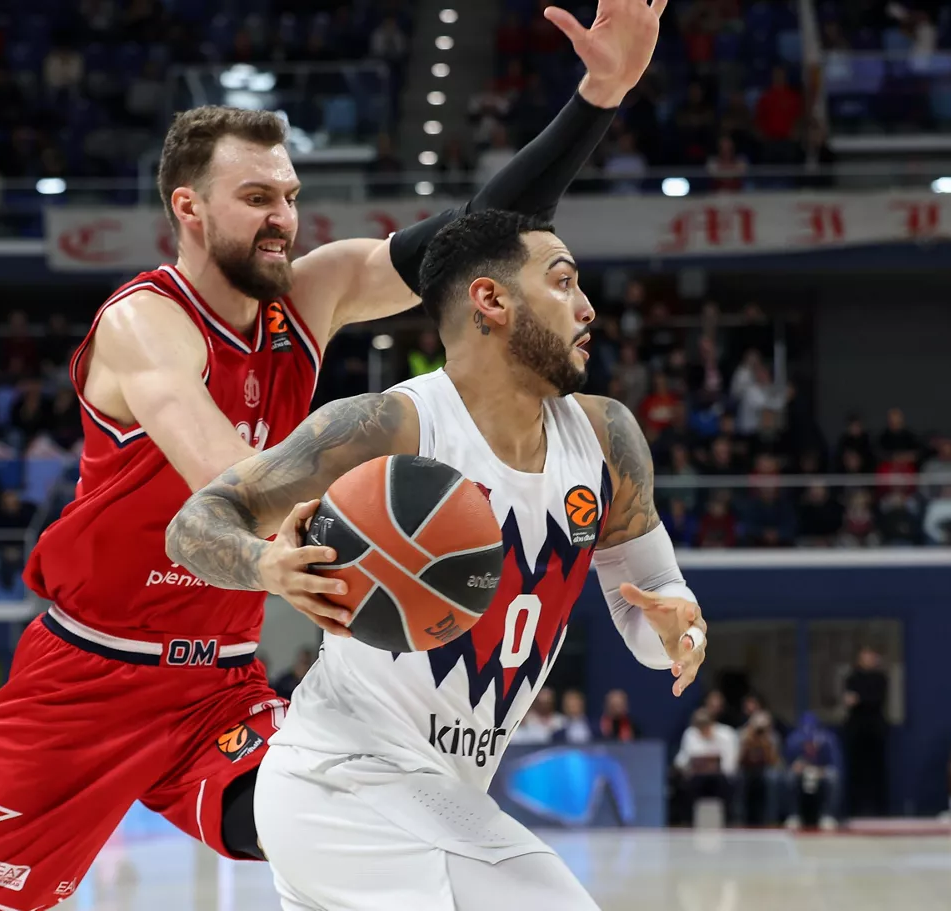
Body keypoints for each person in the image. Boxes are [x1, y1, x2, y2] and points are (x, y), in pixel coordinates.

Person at [0, 4, 666, 909]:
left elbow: (476, 234)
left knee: (352, 815)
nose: (284, 218)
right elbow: (228, 479)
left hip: (221, 687)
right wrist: (332, 531)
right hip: (90, 677)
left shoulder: (312, 294)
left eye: (291, 196)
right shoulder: (144, 322)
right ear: (188, 207)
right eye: (258, 198)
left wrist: (597, 96)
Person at [166, 209, 708, 910]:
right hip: (341, 778)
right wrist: (265, 566)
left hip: (439, 792)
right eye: (563, 281)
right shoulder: (390, 426)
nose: (587, 307)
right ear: (491, 300)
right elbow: (195, 524)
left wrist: (679, 630)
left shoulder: (607, 439)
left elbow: (654, 601)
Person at [843, 646, 889, 816]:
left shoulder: (880, 678)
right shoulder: (852, 678)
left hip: (875, 730)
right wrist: (858, 701)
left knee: (876, 771)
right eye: (864, 656)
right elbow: (849, 700)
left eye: (870, 656)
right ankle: (854, 809)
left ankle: (880, 809)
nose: (867, 659)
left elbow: (876, 700)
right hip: (856, 731)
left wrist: (860, 700)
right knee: (856, 771)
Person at [673, 708, 738, 825]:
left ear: (712, 723)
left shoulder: (727, 734)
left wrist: (714, 766)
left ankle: (728, 822)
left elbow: (730, 764)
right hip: (697, 777)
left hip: (721, 777)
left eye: (705, 727)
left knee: (725, 783)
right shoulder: (691, 734)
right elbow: (682, 759)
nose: (702, 731)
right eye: (700, 728)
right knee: (687, 784)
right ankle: (687, 822)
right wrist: (689, 764)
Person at [784, 712, 840, 830]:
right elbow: (786, 766)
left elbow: (834, 766)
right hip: (801, 775)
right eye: (806, 742)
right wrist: (797, 768)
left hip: (820, 774)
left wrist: (820, 771)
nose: (810, 744)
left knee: (832, 777)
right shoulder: (793, 742)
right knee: (790, 776)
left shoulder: (828, 741)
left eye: (812, 741)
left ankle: (827, 816)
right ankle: (793, 815)